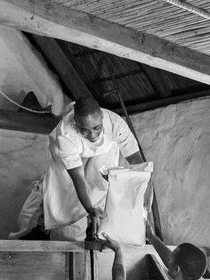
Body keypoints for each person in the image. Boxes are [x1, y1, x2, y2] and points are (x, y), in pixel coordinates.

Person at [43, 97, 144, 241]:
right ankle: (69, 228)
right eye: (85, 130)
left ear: (102, 116)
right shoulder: (65, 135)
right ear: (75, 122)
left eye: (97, 127)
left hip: (103, 152)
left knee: (103, 184)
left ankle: (99, 224)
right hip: (66, 156)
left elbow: (136, 162)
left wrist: (145, 189)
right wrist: (90, 209)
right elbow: (77, 178)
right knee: (66, 198)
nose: (92, 135)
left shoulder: (116, 124)